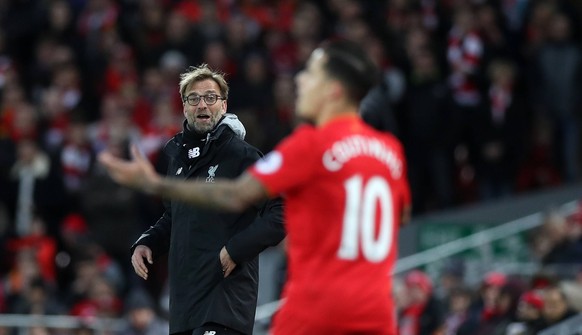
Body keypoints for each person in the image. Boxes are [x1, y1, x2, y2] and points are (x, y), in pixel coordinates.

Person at [99, 39, 411, 334]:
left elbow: (238, 195)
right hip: (376, 308)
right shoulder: (390, 151)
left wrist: (153, 183)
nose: (300, 81)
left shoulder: (308, 145)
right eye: (193, 99)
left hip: (317, 306)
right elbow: (401, 216)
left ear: (334, 91)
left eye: (311, 76)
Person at [124, 64, 285, 335]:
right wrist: (148, 241)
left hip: (225, 305)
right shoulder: (177, 159)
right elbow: (173, 216)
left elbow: (281, 212)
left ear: (223, 105)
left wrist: (236, 249)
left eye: (211, 97)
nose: (203, 104)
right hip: (185, 307)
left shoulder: (242, 156)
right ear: (184, 106)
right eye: (194, 98)